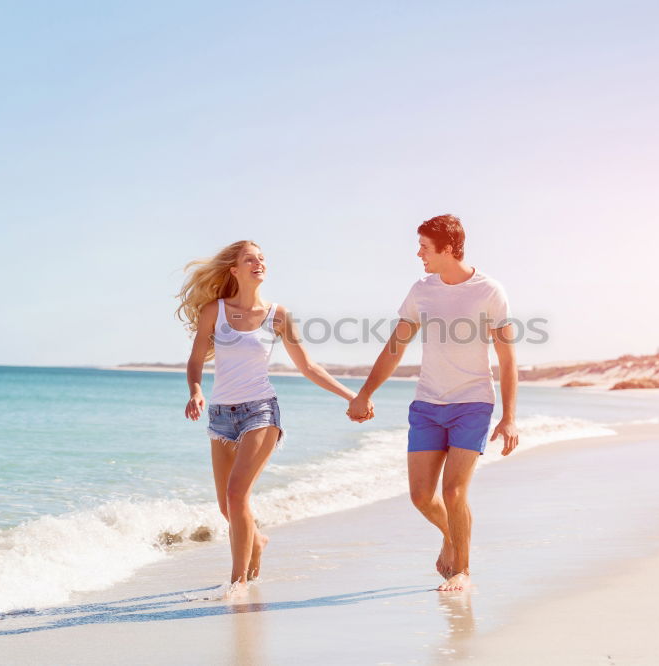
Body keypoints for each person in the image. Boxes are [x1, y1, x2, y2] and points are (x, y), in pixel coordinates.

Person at [177, 240, 369, 598]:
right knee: (227, 506)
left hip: (261, 410)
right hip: (220, 414)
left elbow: (307, 365)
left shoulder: (278, 315)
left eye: (262, 259)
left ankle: (237, 582)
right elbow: (196, 359)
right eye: (250, 259)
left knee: (237, 493)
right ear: (234, 269)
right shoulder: (213, 311)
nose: (259, 263)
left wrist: (353, 396)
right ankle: (258, 541)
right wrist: (196, 391)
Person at [347, 215, 519, 592]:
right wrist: (365, 393)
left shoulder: (489, 291)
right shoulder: (421, 290)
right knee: (422, 496)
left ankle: (463, 571)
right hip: (427, 402)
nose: (418, 253)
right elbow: (395, 347)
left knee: (454, 492)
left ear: (447, 248)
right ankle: (452, 536)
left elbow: (507, 359)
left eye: (424, 247)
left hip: (472, 403)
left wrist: (508, 418)